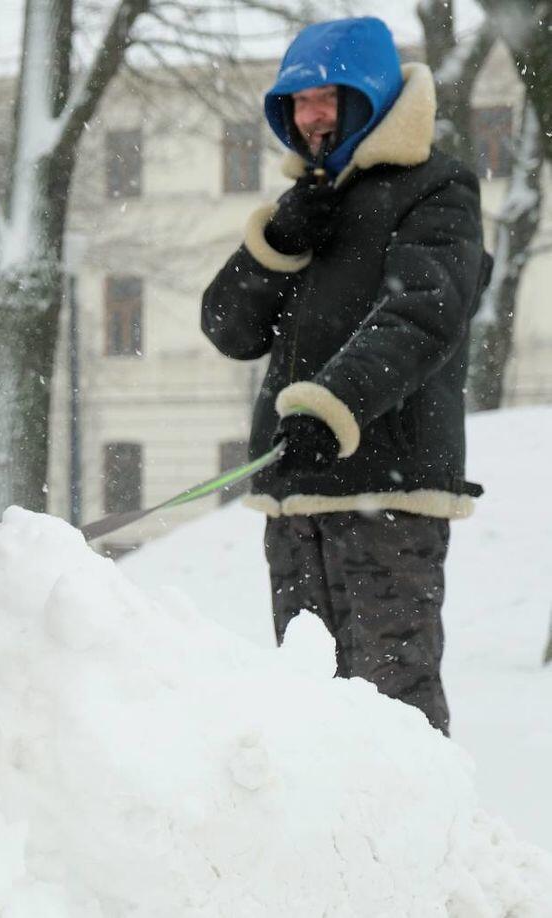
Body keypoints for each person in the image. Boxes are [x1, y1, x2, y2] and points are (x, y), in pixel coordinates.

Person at [200, 16, 490, 735]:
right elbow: (229, 330)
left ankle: (419, 816)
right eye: (297, 102)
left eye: (327, 97)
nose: (311, 116)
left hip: (387, 493)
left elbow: (422, 313)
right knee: (308, 716)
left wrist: (331, 405)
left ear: (372, 95)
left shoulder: (438, 187)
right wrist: (276, 243)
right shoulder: (307, 202)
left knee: (393, 711)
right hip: (296, 495)